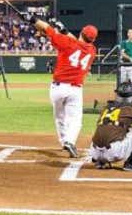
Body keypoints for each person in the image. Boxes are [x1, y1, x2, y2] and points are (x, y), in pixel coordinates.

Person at [34, 17, 97, 157]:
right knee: (75, 120)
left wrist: (32, 19)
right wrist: (63, 30)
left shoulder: (67, 42)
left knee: (59, 117)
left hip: (57, 89)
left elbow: (46, 28)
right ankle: (69, 141)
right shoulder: (92, 50)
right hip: (75, 89)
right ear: (92, 39)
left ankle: (64, 141)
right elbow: (76, 42)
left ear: (81, 32)